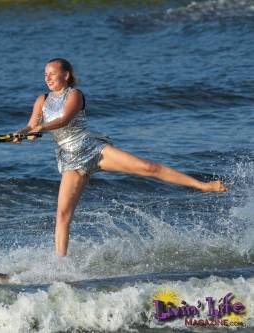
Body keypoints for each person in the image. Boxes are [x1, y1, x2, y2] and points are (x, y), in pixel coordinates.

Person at [14, 58, 228, 257]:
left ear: (66, 75)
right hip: (71, 160)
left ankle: (203, 185)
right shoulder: (42, 100)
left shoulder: (75, 95)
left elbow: (64, 119)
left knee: (148, 167)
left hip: (94, 150)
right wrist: (23, 134)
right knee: (62, 215)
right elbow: (32, 127)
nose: (48, 78)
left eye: (52, 74)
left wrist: (41, 127)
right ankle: (60, 264)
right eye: (45, 75)